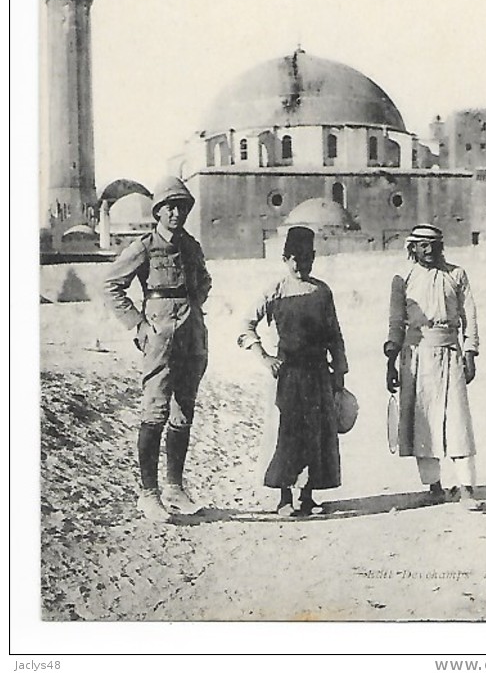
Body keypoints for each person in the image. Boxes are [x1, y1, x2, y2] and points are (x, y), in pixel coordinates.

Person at [103, 176, 212, 522]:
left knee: (184, 412)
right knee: (155, 412)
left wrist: (191, 308)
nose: (175, 212)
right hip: (160, 338)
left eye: (181, 206)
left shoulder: (191, 246)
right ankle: (148, 494)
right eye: (169, 207)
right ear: (157, 211)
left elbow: (205, 281)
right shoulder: (144, 247)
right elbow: (111, 285)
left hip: (192, 336)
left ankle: (174, 488)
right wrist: (138, 324)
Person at [238, 226, 349, 517]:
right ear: (285, 259)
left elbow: (335, 336)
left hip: (318, 373)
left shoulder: (323, 292)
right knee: (288, 433)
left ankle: (307, 496)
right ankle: (285, 497)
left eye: (306, 259)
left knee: (317, 433)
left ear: (313, 257)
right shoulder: (275, 291)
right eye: (294, 259)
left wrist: (339, 372)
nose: (300, 265)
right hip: (288, 373)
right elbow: (246, 326)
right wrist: (264, 357)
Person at [383, 224, 481, 509]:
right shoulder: (403, 278)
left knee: (458, 422)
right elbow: (395, 323)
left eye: (434, 245)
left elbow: (469, 317)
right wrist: (391, 361)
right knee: (423, 423)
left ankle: (467, 490)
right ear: (412, 248)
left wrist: (471, 352)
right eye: (422, 245)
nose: (429, 251)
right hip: (415, 357)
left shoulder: (457, 275)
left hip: (450, 354)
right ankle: (434, 487)